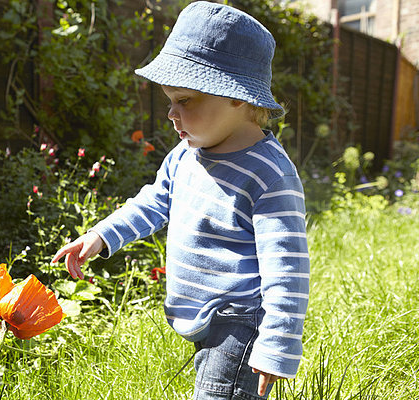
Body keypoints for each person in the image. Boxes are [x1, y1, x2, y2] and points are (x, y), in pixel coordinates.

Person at [52, 2, 309, 399]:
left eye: (184, 100)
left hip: (240, 320)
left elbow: (287, 268)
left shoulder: (269, 174)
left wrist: (277, 343)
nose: (171, 114)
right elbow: (154, 202)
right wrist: (102, 236)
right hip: (201, 316)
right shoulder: (186, 155)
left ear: (235, 96)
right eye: (170, 100)